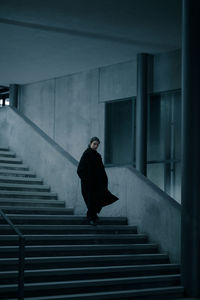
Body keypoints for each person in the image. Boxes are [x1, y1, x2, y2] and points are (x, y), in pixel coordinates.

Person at [77, 137, 119, 225]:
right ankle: (91, 217)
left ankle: (92, 216)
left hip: (97, 184)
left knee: (97, 199)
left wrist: (104, 180)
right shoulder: (86, 154)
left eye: (97, 144)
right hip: (88, 184)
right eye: (94, 144)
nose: (96, 146)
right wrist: (87, 180)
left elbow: (101, 170)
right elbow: (80, 169)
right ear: (90, 143)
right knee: (91, 200)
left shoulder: (98, 156)